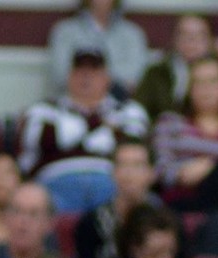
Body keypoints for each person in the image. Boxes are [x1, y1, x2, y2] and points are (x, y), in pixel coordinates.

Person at [17, 47, 150, 214]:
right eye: (80, 70)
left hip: (112, 181)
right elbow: (36, 138)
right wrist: (102, 128)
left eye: (93, 70)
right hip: (55, 182)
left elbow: (133, 142)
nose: (86, 76)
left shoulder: (128, 109)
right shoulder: (43, 108)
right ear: (69, 76)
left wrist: (68, 132)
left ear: (106, 78)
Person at [153, 57, 218, 217]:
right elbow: (160, 170)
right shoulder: (170, 123)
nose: (206, 89)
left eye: (213, 81)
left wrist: (211, 168)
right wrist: (183, 173)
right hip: (178, 208)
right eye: (198, 82)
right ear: (188, 89)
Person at [75, 139, 162, 258]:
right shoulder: (91, 223)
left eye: (137, 165)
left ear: (152, 173)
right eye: (122, 165)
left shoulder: (167, 222)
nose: (129, 173)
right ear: (113, 172)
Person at [47, 0, 147, 96]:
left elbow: (133, 75)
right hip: (71, 103)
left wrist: (95, 78)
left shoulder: (132, 34)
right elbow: (61, 73)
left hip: (118, 100)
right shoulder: (65, 31)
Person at [132, 13, 217, 123]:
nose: (191, 41)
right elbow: (138, 112)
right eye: (185, 34)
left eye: (199, 35)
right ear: (175, 39)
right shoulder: (155, 73)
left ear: (210, 41)